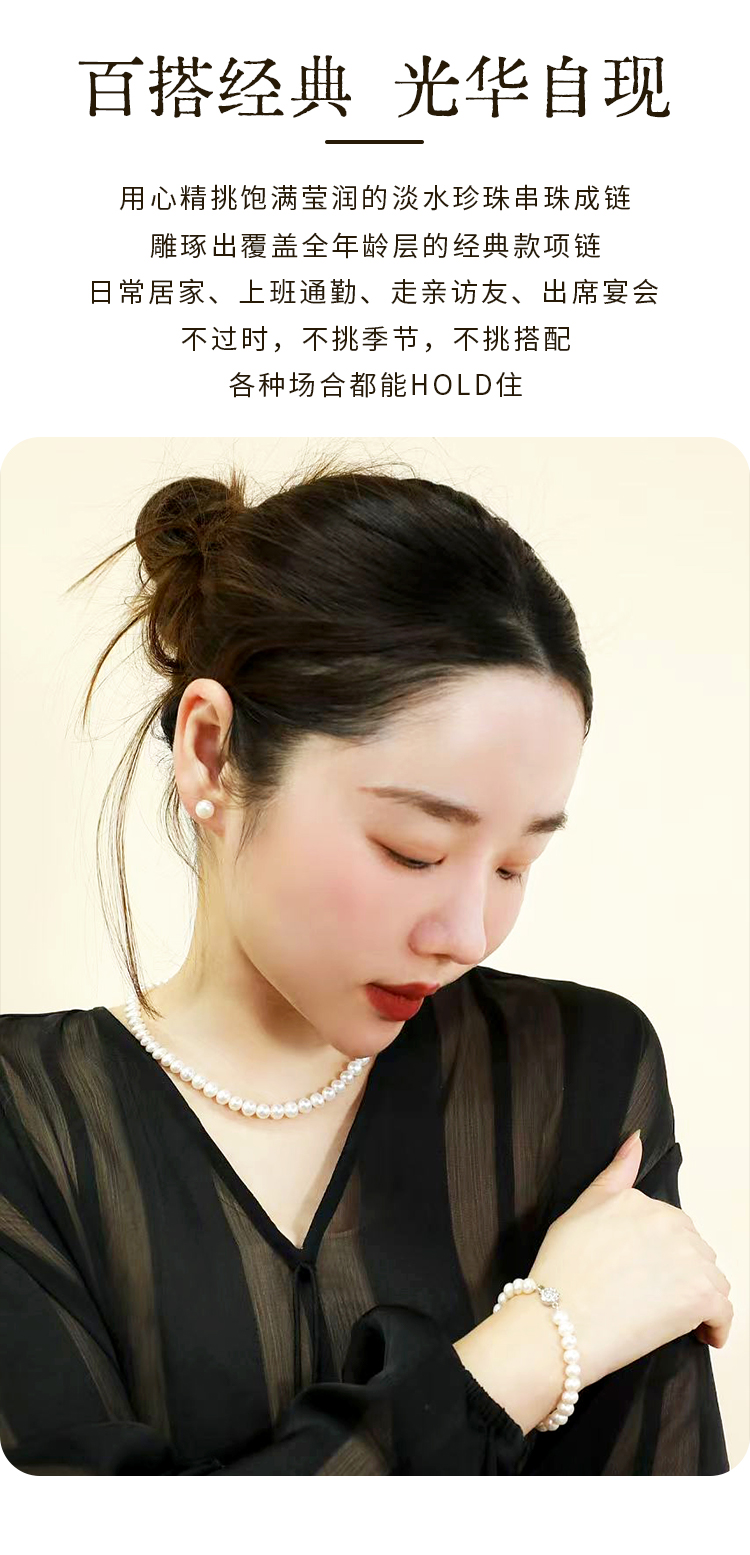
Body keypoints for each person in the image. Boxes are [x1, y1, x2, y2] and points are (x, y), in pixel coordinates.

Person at [0, 466, 732, 1475]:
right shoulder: (25, 1121)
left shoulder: (580, 1076)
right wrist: (528, 1354)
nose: (468, 933)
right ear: (211, 753)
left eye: (515, 865)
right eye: (413, 849)